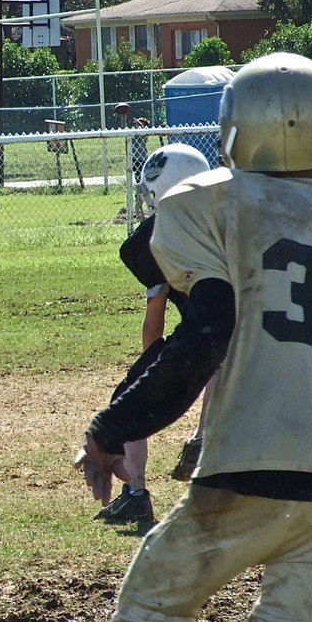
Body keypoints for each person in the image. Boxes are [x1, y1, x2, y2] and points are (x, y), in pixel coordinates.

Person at [74, 52, 312, 622]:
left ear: (236, 132)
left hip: (247, 462)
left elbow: (204, 332)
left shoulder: (214, 203)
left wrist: (116, 424)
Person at [96, 143, 212, 530]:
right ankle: (202, 437)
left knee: (126, 402)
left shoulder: (160, 238)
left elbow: (155, 318)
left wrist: (149, 374)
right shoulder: (234, 220)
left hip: (205, 339)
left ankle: (136, 493)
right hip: (260, 336)